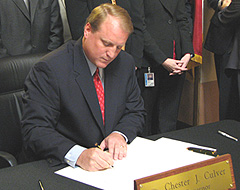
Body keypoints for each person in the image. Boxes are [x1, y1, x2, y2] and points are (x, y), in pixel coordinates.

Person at [21, 3, 145, 171]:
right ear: (88, 30)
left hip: (111, 165)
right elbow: (35, 130)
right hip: (65, 168)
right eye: (106, 43)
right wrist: (78, 154)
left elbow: (135, 111)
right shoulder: (51, 68)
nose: (111, 54)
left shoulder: (125, 63)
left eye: (118, 47)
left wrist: (119, 133)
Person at [137, 0, 194, 136]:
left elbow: (183, 19)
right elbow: (138, 26)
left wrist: (187, 53)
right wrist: (162, 60)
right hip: (149, 61)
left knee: (168, 121)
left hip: (177, 62)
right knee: (145, 121)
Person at [65, 0, 144, 66]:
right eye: (106, 43)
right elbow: (79, 30)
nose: (111, 54)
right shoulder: (55, 67)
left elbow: (137, 25)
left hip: (124, 61)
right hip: (89, 62)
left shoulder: (127, 63)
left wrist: (134, 62)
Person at [204, 0, 240, 121]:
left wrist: (227, 11)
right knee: (227, 102)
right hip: (224, 42)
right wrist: (221, 4)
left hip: (225, 18)